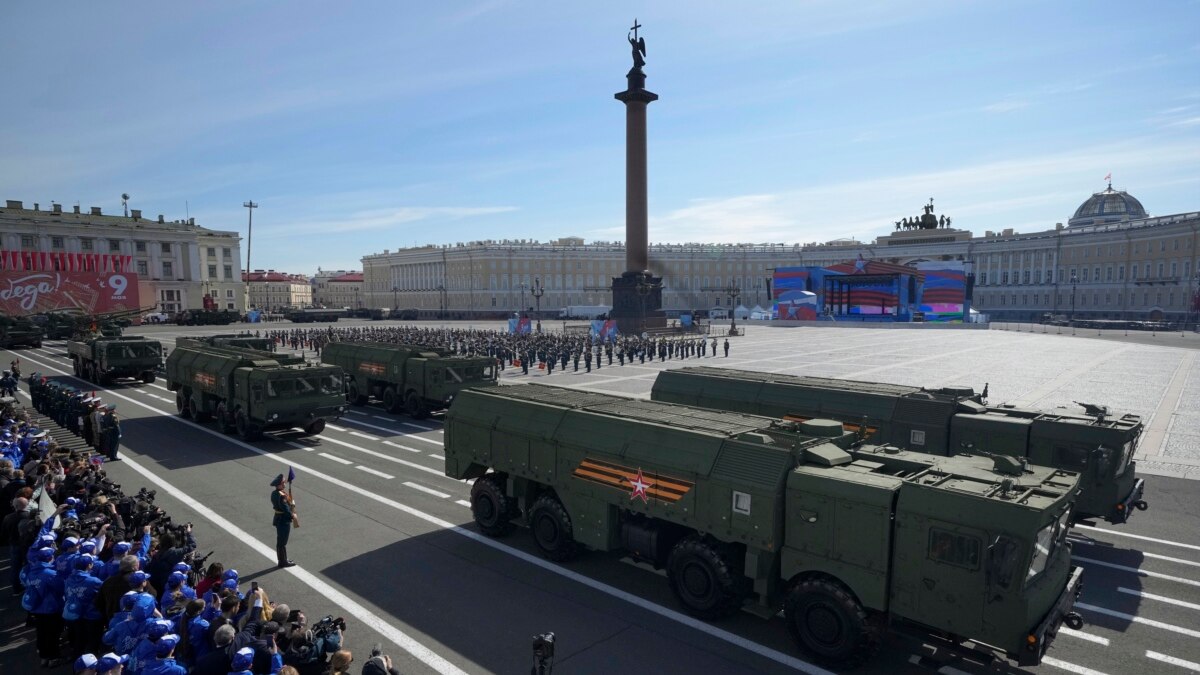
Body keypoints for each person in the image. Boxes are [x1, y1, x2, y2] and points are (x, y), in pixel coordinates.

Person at [271, 474, 298, 568]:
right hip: (283, 520)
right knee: (282, 542)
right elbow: (285, 508)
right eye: (283, 482)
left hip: (279, 519)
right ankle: (282, 562)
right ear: (279, 485)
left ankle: (283, 560)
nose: (284, 483)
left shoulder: (274, 493)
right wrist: (292, 515)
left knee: (281, 542)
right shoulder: (282, 496)